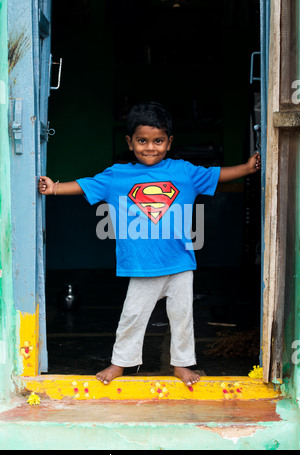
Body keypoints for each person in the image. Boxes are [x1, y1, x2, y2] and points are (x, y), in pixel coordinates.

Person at [39, 101, 261, 387]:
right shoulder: (118, 175)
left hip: (179, 262)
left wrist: (246, 167)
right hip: (143, 267)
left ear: (169, 142)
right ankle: (120, 363)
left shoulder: (184, 172)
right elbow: (86, 185)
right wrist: (54, 187)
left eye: (158, 141)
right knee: (132, 316)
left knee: (182, 318)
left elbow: (216, 174)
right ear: (130, 142)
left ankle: (181, 364)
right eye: (142, 141)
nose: (150, 147)